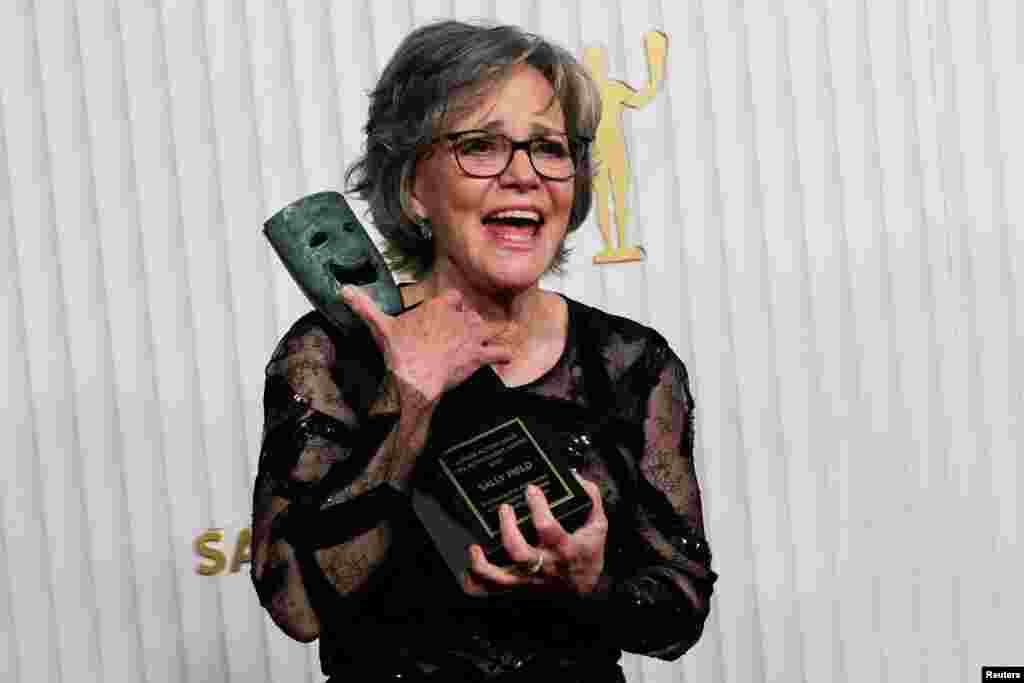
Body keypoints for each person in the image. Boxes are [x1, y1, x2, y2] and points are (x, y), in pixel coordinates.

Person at [251, 20, 716, 683]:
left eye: (549, 149)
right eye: (480, 145)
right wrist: (408, 397)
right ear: (415, 187)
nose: (522, 175)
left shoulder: (632, 363)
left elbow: (680, 610)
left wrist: (592, 582)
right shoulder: (329, 353)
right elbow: (298, 606)